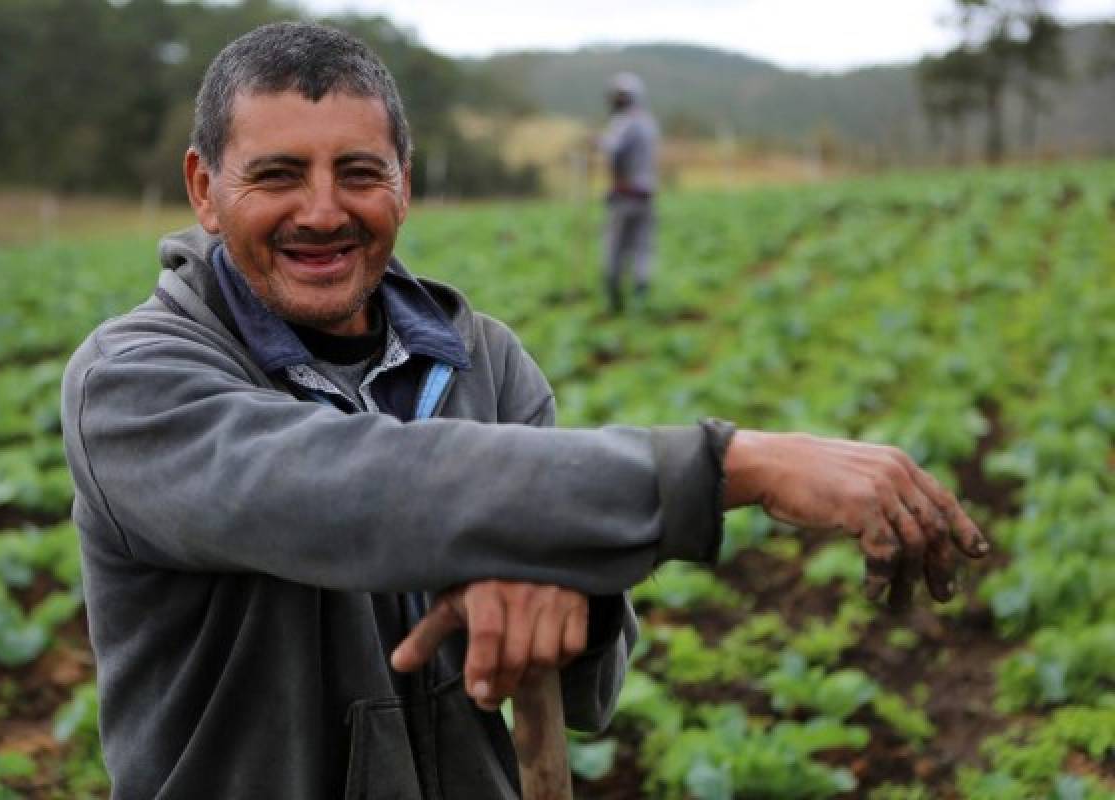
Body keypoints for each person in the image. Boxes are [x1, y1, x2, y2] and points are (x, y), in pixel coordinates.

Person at [60, 22, 989, 800]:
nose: (321, 210)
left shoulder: (483, 360)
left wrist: (558, 580)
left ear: (405, 183)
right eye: (275, 176)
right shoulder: (135, 381)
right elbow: (346, 486)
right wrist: (729, 466)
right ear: (203, 191)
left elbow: (592, 683)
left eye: (358, 171)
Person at [598, 71, 659, 313]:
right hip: (646, 194)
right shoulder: (649, 123)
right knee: (643, 249)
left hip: (624, 196)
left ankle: (617, 302)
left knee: (614, 251)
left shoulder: (622, 123)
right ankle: (640, 301)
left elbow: (614, 151)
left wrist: (617, 181)